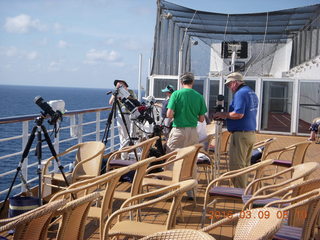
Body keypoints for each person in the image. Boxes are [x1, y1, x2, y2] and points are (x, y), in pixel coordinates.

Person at [213, 72, 258, 188]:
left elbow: (238, 114)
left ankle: (240, 192)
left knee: (237, 165)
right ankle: (244, 189)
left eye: (229, 84)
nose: (229, 87)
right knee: (244, 164)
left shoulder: (240, 93)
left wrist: (224, 115)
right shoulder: (251, 92)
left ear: (235, 82)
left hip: (241, 135)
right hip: (250, 133)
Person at [166, 72, 207, 152]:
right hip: (193, 132)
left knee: (172, 159)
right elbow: (202, 119)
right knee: (190, 160)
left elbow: (169, 114)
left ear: (181, 82)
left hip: (179, 130)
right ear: (192, 82)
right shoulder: (199, 96)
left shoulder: (176, 94)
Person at [109, 79, 137, 151]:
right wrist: (115, 93)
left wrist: (125, 94)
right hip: (121, 115)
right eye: (117, 85)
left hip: (130, 114)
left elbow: (135, 101)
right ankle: (123, 153)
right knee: (122, 135)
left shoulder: (130, 92)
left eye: (121, 85)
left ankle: (126, 150)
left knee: (130, 134)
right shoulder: (116, 93)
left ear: (125, 85)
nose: (119, 86)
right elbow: (110, 102)